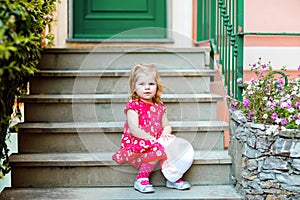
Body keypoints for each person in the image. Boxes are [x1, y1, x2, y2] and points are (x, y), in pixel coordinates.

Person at [112, 64, 191, 193]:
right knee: (157, 148)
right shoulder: (134, 106)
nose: (147, 87)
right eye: (141, 84)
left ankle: (172, 177)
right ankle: (141, 178)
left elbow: (166, 125)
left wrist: (165, 134)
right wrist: (151, 139)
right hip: (138, 138)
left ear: (157, 86)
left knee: (171, 145)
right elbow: (134, 129)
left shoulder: (159, 105)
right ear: (134, 87)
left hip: (155, 137)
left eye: (151, 84)